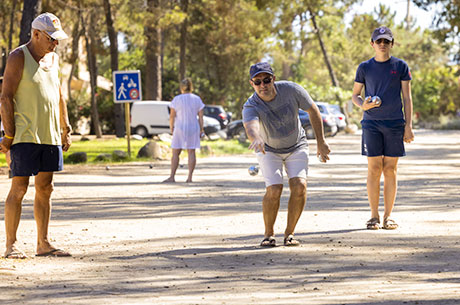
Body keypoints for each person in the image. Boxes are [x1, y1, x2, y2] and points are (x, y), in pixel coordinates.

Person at [0, 12, 72, 258]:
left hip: (49, 136)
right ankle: (11, 245)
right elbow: (5, 97)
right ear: (36, 34)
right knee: (19, 188)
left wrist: (65, 127)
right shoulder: (18, 57)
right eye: (51, 38)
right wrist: (9, 135)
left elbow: (59, 95)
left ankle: (43, 243)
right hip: (24, 135)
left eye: (56, 39)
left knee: (46, 187)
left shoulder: (53, 58)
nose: (55, 43)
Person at [242, 62, 331, 247]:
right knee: (274, 189)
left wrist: (321, 142)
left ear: (273, 79)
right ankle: (268, 234)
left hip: (296, 145)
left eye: (266, 80)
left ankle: (289, 234)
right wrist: (256, 138)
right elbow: (250, 126)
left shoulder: (291, 90)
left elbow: (313, 110)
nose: (262, 85)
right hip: (268, 149)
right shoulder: (250, 105)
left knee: (299, 186)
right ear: (252, 84)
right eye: (257, 82)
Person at [351, 26, 414, 230]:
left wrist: (408, 126)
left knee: (390, 169)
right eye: (379, 41)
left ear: (391, 44)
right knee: (374, 169)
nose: (382, 44)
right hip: (371, 123)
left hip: (395, 123)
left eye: (386, 41)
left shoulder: (401, 66)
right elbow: (355, 95)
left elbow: (407, 97)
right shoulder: (364, 67)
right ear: (372, 44)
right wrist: (363, 105)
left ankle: (388, 216)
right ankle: (373, 216)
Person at [163, 78, 205, 183]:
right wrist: (201, 129)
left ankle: (172, 176)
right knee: (191, 152)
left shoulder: (176, 99)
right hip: (193, 127)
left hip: (180, 127)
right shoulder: (197, 99)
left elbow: (172, 116)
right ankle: (189, 177)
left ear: (181, 87)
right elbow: (200, 117)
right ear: (191, 87)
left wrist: (171, 127)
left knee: (176, 152)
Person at [0, 76, 12, 178]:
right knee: (9, 150)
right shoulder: (7, 97)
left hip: (5, 128)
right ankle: (11, 169)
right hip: (8, 127)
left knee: (8, 150)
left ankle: (11, 169)